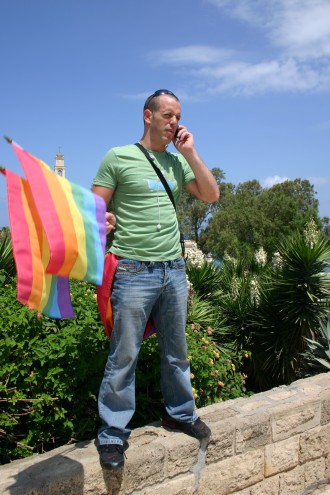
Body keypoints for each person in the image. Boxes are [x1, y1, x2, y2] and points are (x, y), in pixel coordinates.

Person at [92, 89, 220, 470]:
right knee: (124, 353)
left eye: (178, 116)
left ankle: (180, 413)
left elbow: (211, 194)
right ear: (147, 116)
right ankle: (113, 433)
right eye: (167, 115)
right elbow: (93, 211)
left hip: (173, 270)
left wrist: (190, 152)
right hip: (133, 269)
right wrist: (105, 220)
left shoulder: (178, 164)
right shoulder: (118, 157)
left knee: (176, 351)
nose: (174, 122)